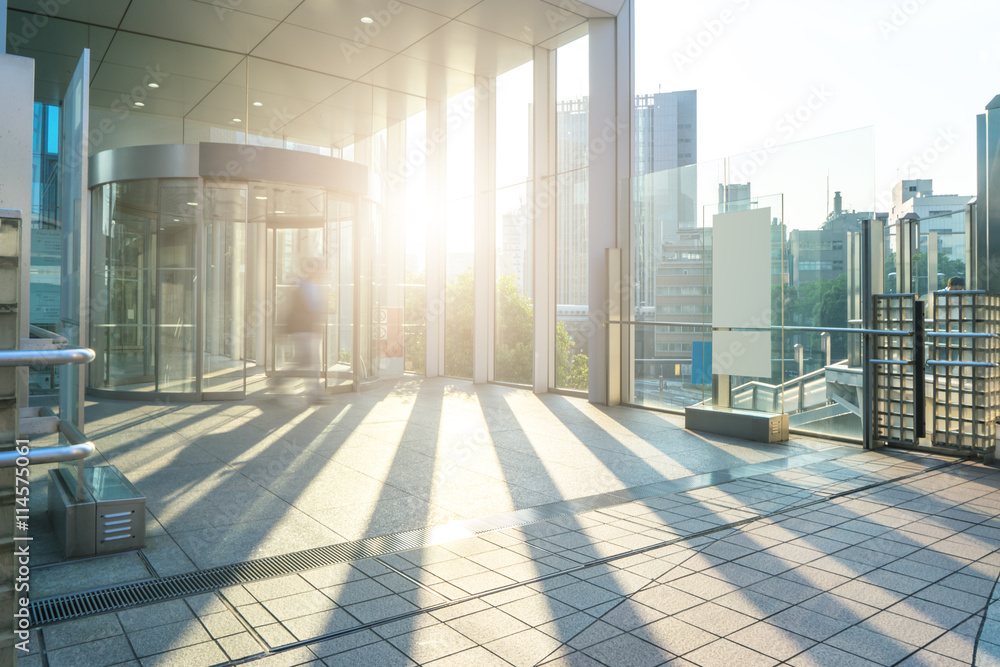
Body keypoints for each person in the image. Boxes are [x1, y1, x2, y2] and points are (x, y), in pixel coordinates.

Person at [275, 260, 326, 403]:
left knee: (304, 361)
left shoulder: (316, 287)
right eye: (318, 270)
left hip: (312, 331)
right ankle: (314, 392)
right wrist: (283, 331)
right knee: (310, 361)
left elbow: (318, 311)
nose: (321, 273)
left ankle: (279, 381)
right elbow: (290, 310)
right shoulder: (299, 287)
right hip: (301, 330)